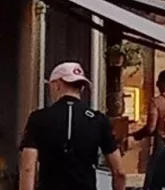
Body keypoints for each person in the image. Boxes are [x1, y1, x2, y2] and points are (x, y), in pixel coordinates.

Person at [19, 62, 127, 190]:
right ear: (81, 88)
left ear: (56, 85)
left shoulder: (39, 118)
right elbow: (119, 171)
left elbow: (28, 168)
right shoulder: (99, 120)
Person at [128, 70, 165, 190]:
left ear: (158, 84)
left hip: (164, 148)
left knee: (153, 184)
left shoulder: (156, 102)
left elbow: (150, 128)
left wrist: (137, 135)